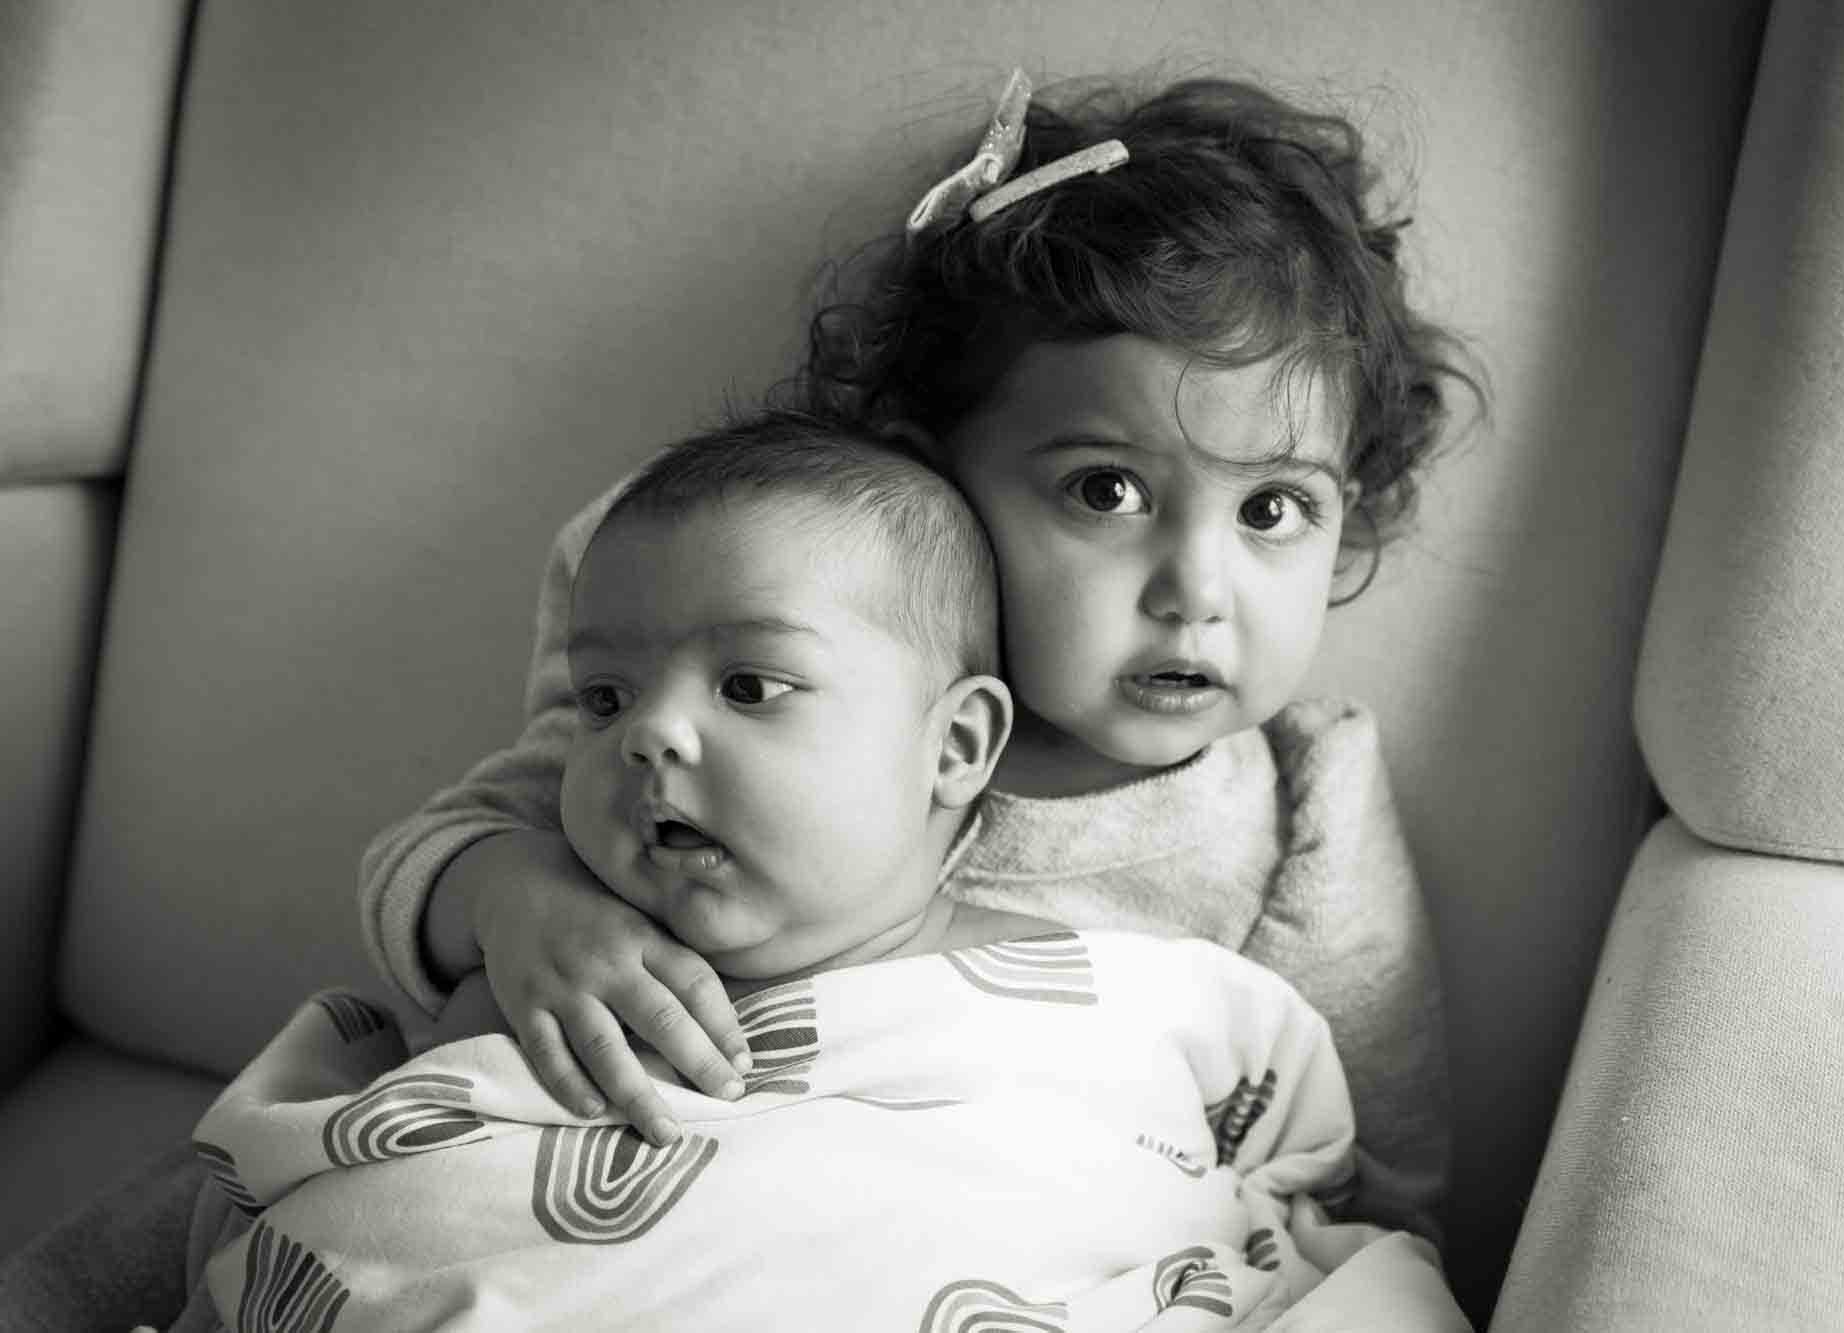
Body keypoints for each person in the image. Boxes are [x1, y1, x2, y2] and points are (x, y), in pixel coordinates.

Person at [359, 72, 1477, 1249]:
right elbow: (442, 853)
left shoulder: (1300, 818)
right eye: (1106, 490)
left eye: (1272, 511)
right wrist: (509, 899)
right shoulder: (733, 644)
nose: (1196, 591)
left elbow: (1374, 1188)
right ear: (936, 471)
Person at [164, 412, 1467, 1331]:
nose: (648, 734)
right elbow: (345, 1196)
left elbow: (1307, 1155)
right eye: (605, 692)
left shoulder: (1142, 971)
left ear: (956, 745)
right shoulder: (571, 896)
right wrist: (511, 904)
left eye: (749, 686)